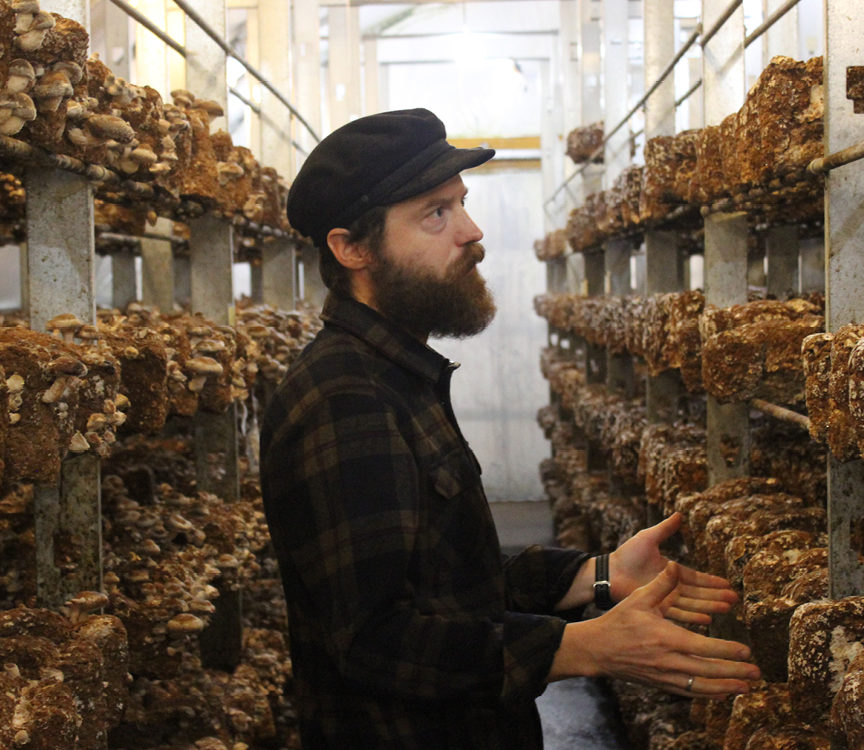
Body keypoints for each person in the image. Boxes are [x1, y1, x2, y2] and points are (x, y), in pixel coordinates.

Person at [260, 108, 760, 749]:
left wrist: (596, 575)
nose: (472, 233)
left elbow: (444, 582)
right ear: (352, 248)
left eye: (461, 204)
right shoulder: (345, 400)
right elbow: (374, 642)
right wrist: (582, 647)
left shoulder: (396, 377)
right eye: (434, 215)